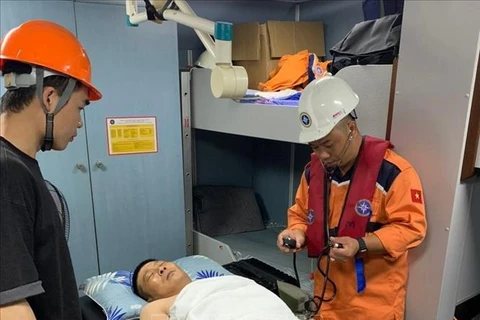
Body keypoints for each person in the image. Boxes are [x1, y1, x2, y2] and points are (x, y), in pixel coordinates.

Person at [276, 75, 427, 320]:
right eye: (314, 147)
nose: (322, 155)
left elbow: (411, 229)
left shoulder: (393, 173)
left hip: (374, 306)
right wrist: (296, 232)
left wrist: (361, 245)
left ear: (350, 128)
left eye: (327, 144)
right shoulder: (313, 173)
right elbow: (301, 213)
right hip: (326, 300)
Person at [0, 20, 102, 319]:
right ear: (49, 98)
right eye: (80, 108)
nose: (80, 123)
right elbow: (10, 306)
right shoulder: (7, 172)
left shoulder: (18, 166)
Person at [132, 258, 300, 320]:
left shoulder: (229, 280)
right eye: (150, 276)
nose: (160, 269)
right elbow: (150, 313)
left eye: (161, 264)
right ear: (151, 298)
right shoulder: (161, 305)